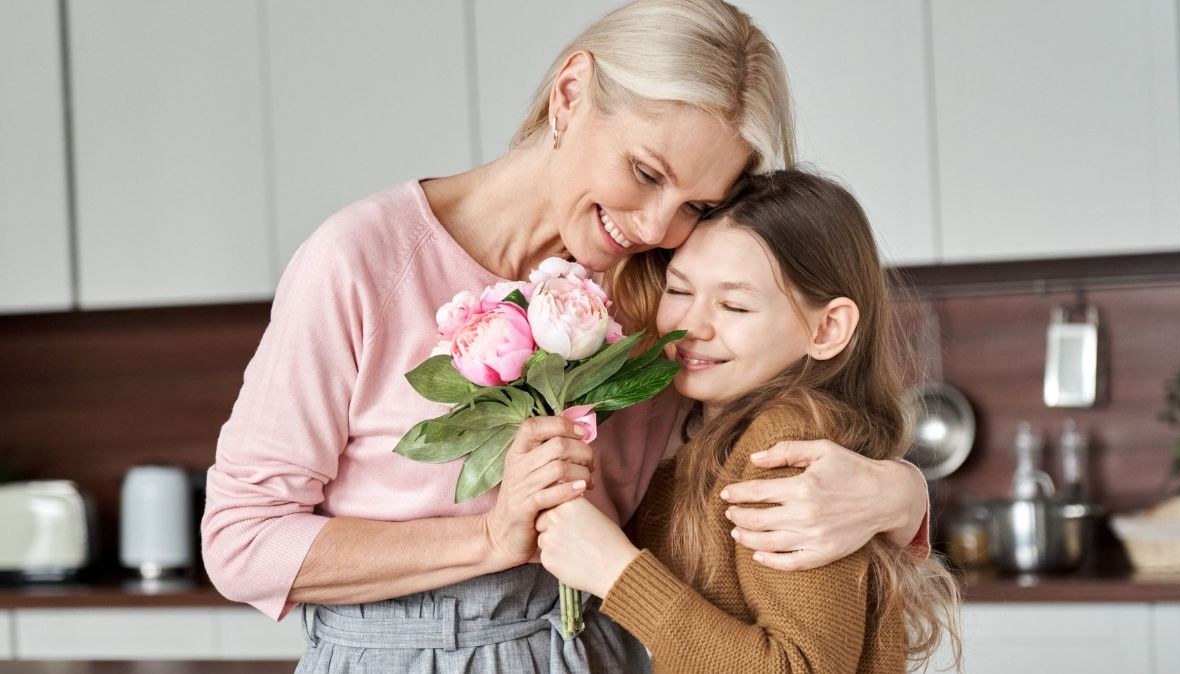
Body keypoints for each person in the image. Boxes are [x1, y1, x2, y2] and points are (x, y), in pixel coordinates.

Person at [201, 1, 929, 672]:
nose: (653, 227)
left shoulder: (665, 287)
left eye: (695, 205)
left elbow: (753, 436)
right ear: (571, 93)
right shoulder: (362, 262)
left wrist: (903, 494)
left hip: (606, 645)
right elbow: (241, 542)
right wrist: (489, 539)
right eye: (644, 172)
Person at [537, 169, 962, 673]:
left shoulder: (782, 447)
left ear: (827, 328)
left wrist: (616, 572)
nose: (692, 326)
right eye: (678, 290)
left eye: (735, 305)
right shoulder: (708, 427)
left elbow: (800, 668)